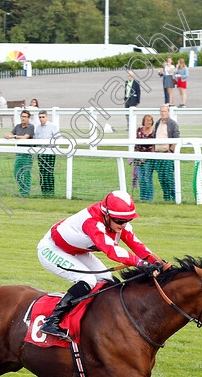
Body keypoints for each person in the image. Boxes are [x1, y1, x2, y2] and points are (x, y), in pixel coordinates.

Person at [36, 190, 163, 340]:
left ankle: (96, 320)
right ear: (107, 215)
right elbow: (111, 250)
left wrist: (158, 262)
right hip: (52, 249)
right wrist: (140, 263)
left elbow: (137, 245)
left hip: (77, 251)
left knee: (106, 280)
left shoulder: (117, 222)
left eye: (127, 220)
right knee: (88, 280)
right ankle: (52, 321)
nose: (123, 225)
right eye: (119, 221)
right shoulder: (92, 222)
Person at [150, 105, 179, 202]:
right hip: (158, 153)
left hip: (167, 153)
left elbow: (176, 138)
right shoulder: (158, 123)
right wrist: (153, 150)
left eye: (165, 111)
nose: (163, 113)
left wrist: (171, 150)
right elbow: (154, 137)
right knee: (161, 177)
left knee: (168, 176)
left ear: (168, 112)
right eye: (161, 111)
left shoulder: (172, 124)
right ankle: (166, 197)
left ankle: (174, 197)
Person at [5, 109, 35, 197]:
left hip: (28, 154)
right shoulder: (17, 126)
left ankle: (26, 192)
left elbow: (25, 137)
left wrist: (14, 137)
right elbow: (11, 134)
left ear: (28, 118)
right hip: (19, 153)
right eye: (22, 116)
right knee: (17, 173)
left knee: (26, 174)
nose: (23, 118)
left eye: (25, 117)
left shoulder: (31, 127)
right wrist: (7, 136)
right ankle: (22, 190)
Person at [33, 110, 59, 197]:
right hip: (41, 152)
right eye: (40, 117)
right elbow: (36, 138)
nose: (41, 119)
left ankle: (51, 191)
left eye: (43, 117)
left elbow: (59, 138)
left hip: (50, 151)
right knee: (42, 171)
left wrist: (50, 143)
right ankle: (44, 191)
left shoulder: (52, 126)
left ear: (47, 117)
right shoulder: (38, 127)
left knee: (49, 172)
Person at [134, 114, 156, 201]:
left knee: (147, 178)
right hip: (139, 157)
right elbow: (136, 142)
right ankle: (142, 198)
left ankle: (149, 198)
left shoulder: (153, 131)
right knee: (141, 178)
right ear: (144, 121)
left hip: (148, 158)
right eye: (147, 120)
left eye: (150, 120)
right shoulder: (139, 130)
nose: (149, 122)